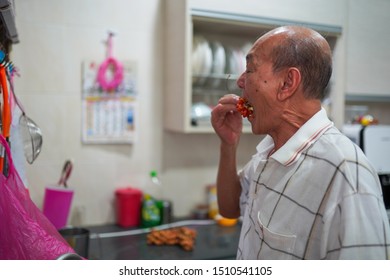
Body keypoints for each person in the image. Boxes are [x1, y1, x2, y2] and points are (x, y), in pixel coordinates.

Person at [211, 25, 390, 260]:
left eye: (250, 69)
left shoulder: (346, 173)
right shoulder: (270, 152)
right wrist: (228, 144)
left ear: (287, 83)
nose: (241, 81)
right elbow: (230, 208)